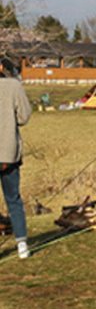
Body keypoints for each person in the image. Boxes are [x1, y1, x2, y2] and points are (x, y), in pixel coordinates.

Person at [0, 58, 32, 258]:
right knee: (13, 200)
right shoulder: (13, 85)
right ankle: (22, 245)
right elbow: (24, 116)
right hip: (8, 152)